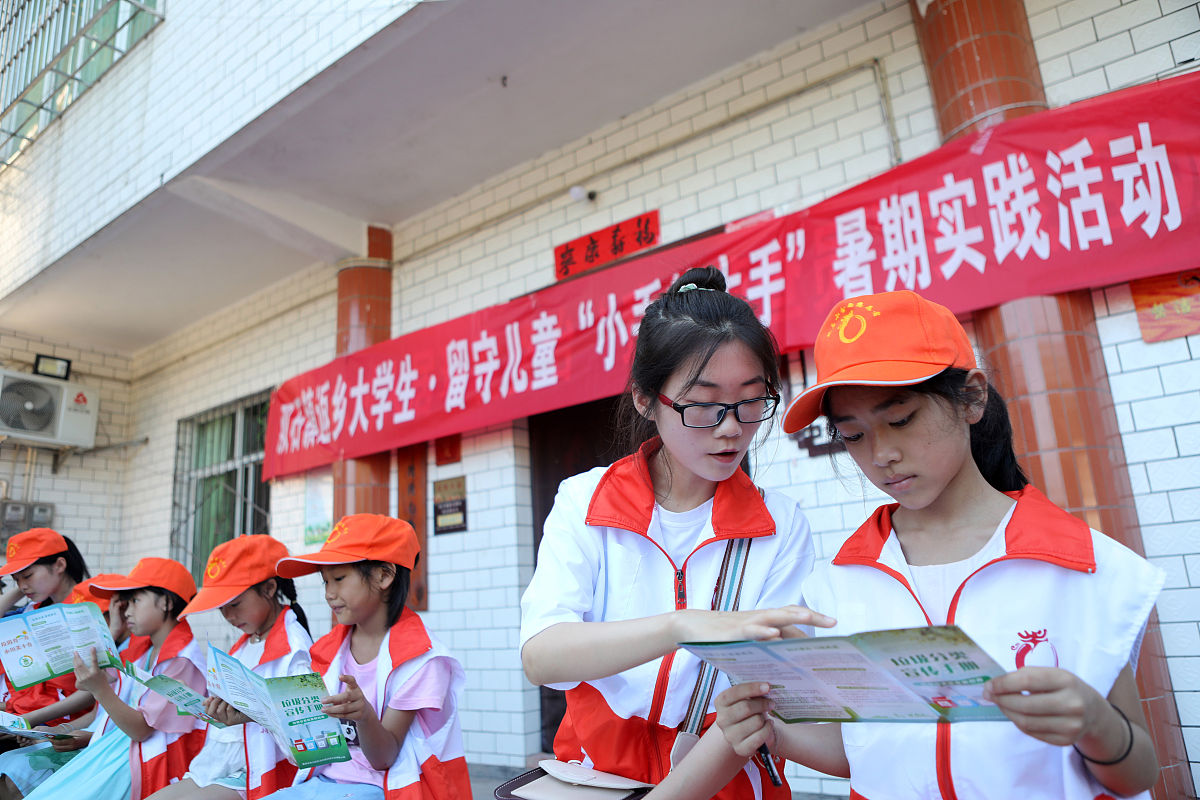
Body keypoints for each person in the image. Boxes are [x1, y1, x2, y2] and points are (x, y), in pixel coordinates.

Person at [713, 290, 1162, 799]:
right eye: (853, 435)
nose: (882, 454)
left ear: (971, 397)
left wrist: (1096, 724)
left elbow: (1138, 774)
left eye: (900, 419)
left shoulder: (1081, 565)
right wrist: (772, 733)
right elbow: (864, 750)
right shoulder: (837, 588)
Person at [519, 266, 828, 800]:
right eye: (704, 404)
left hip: (723, 776)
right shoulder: (585, 500)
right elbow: (543, 655)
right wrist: (682, 626)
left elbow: (767, 698)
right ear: (645, 399)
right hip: (595, 773)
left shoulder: (780, 525)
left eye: (752, 400)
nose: (732, 427)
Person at [268, 513, 470, 800]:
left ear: (384, 575)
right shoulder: (326, 651)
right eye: (325, 581)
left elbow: (383, 758)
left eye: (338, 578)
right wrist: (261, 714)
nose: (329, 593)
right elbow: (312, 744)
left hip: (384, 790)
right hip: (319, 783)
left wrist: (364, 716)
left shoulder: (422, 660)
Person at [23, 558, 208, 800]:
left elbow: (140, 729)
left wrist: (100, 689)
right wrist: (114, 630)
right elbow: (87, 680)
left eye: (135, 601)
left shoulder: (181, 661)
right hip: (119, 751)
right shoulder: (145, 648)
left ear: (165, 602)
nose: (127, 611)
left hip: (143, 762)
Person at [146, 535, 314, 800]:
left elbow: (309, 735)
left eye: (235, 604)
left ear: (269, 588)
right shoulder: (247, 642)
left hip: (267, 771)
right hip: (226, 764)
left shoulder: (294, 649)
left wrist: (250, 713)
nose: (228, 616)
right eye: (221, 607)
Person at [0, 574, 130, 799]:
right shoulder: (105, 653)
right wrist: (57, 732)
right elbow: (97, 713)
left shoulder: (132, 657)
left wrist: (78, 735)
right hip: (73, 735)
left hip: (110, 753)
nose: (78, 633)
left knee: (15, 777)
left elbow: (135, 726)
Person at [0, 529, 94, 730]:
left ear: (60, 565)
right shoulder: (35, 608)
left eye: (28, 576)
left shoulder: (89, 609)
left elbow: (94, 689)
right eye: (16, 580)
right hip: (24, 717)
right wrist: (25, 585)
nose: (23, 586)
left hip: (61, 724)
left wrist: (27, 722)